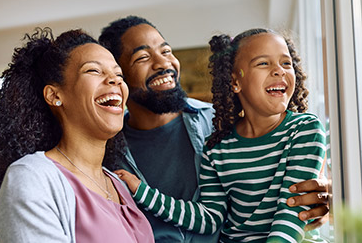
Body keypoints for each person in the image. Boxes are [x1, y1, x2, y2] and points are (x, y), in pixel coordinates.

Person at [99, 16, 329, 243]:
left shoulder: (218, 123)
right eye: (143, 57)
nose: (163, 63)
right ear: (119, 77)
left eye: (167, 51)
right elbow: (209, 215)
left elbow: (294, 206)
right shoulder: (107, 154)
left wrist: (318, 200)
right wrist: (142, 191)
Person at [0, 27, 154, 243]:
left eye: (119, 74)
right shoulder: (32, 177)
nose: (115, 80)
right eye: (94, 71)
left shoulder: (119, 184)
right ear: (55, 95)